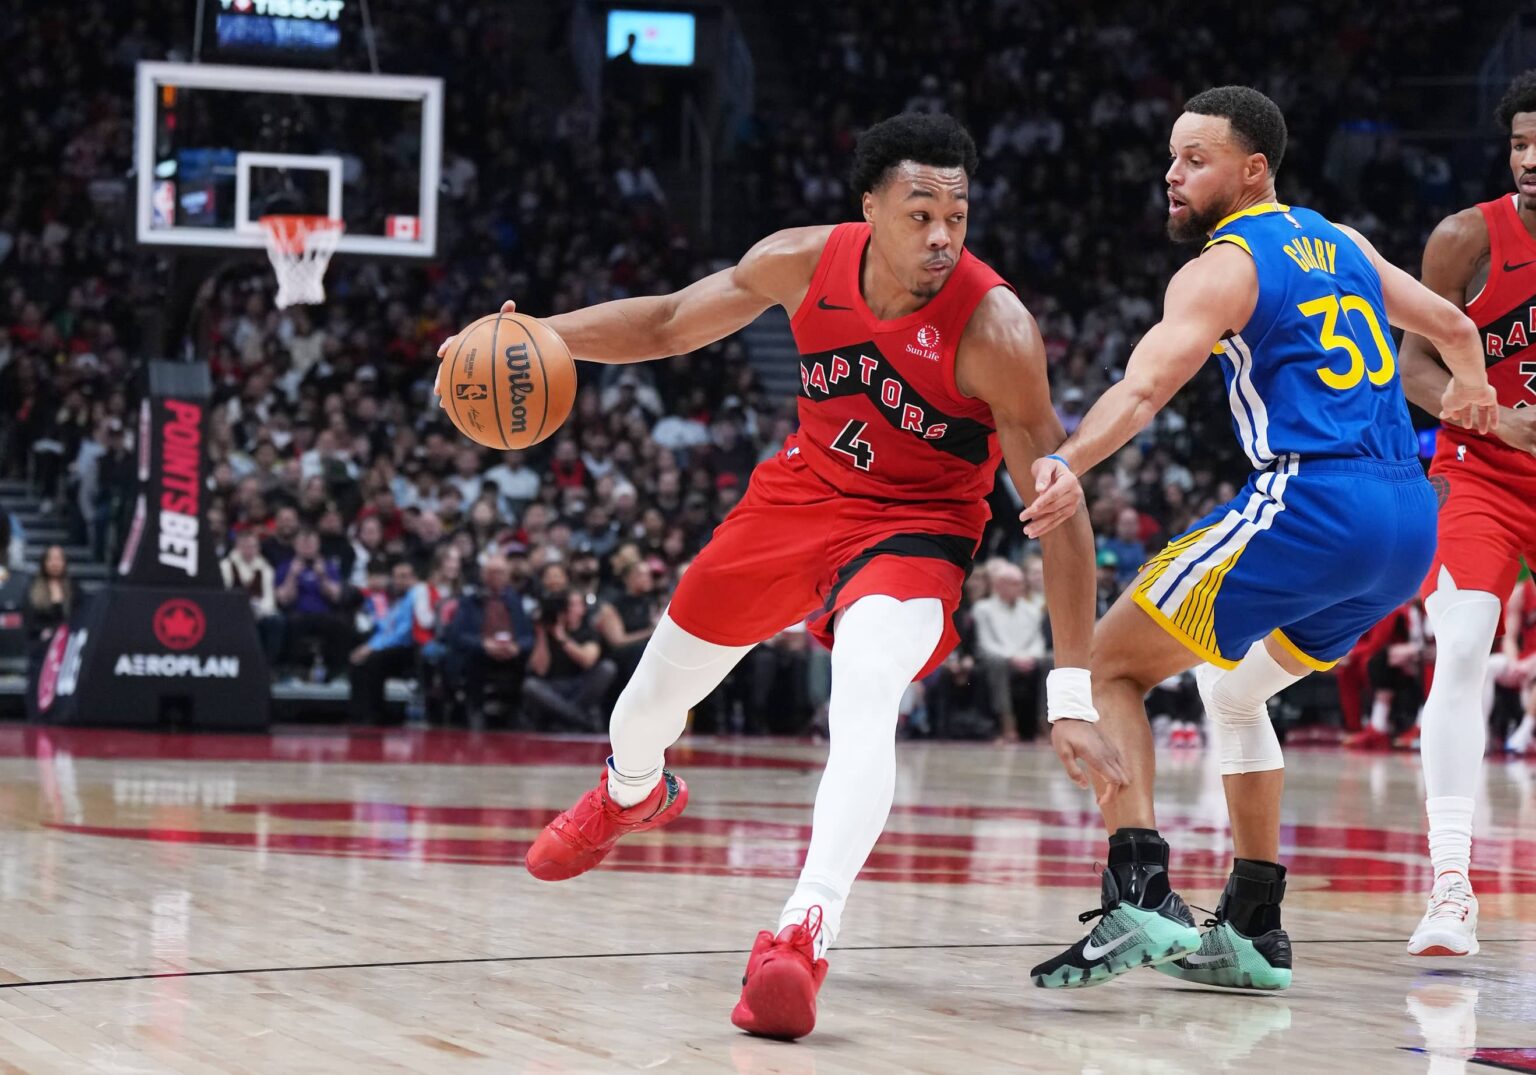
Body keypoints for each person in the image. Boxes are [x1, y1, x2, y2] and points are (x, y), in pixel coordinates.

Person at [437, 112, 1106, 1039]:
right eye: (920, 212)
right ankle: (632, 790)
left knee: (865, 689)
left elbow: (1058, 506)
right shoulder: (800, 262)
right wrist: (538, 332)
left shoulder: (997, 328)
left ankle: (802, 931)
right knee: (647, 702)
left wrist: (1070, 685)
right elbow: (671, 323)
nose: (943, 234)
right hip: (796, 499)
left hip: (918, 528)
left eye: (958, 211)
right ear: (869, 207)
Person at [1020, 86, 1496, 993]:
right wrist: (1471, 392)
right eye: (1171, 156)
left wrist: (1070, 460)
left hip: (1313, 500)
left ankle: (1142, 887)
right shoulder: (1343, 241)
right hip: (1404, 525)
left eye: (1194, 159)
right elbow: (1457, 326)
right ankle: (1253, 925)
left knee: (1112, 664)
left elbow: (1143, 390)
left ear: (1252, 169)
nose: (1172, 173)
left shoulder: (1224, 264)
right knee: (1233, 690)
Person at [1392, 69, 1536, 958]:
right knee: (1462, 651)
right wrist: (1491, 411)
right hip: (1481, 473)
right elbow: (1411, 368)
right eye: (1521, 142)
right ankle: (1451, 886)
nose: (1530, 159)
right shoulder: (1465, 237)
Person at [447, 553, 535, 727]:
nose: (496, 576)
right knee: (474, 657)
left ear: (508, 575)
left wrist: (517, 647)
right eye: (491, 572)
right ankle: (475, 711)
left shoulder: (516, 602)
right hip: (481, 654)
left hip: (511, 653)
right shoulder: (470, 600)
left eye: (500, 572)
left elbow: (529, 637)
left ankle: (517, 713)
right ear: (483, 575)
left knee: (527, 660)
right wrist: (483, 644)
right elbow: (457, 635)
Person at [970, 560, 1046, 741]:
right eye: (1014, 583)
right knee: (997, 663)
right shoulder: (983, 609)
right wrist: (1012, 658)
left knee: (1050, 660)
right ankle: (1007, 722)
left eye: (1021, 583)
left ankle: (1045, 722)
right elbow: (985, 643)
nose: (1020, 587)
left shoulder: (1032, 610)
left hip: (1027, 658)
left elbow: (1037, 641)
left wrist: (1031, 657)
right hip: (998, 658)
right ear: (998, 585)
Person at [523, 589, 617, 731]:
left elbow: (587, 660)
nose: (571, 609)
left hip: (581, 685)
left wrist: (562, 639)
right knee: (530, 686)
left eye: (576, 605)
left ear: (583, 609)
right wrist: (542, 633)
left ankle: (564, 720)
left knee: (607, 668)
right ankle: (582, 721)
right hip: (554, 686)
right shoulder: (547, 629)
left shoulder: (588, 631)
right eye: (568, 605)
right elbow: (540, 669)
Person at [347, 559, 420, 724]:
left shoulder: (415, 597)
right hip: (391, 646)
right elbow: (385, 628)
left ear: (414, 578)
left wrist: (372, 648)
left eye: (404, 576)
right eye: (397, 577)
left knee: (373, 660)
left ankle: (374, 714)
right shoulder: (396, 601)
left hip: (408, 649)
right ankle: (359, 714)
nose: (400, 581)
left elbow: (403, 633)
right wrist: (368, 646)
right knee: (358, 660)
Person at [221, 529, 283, 665]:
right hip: (233, 613)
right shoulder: (226, 566)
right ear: (237, 547)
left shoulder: (266, 568)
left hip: (260, 613)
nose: (249, 550)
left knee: (276, 621)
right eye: (245, 546)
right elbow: (224, 595)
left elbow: (269, 599)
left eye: (253, 546)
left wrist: (259, 612)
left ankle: (268, 666)